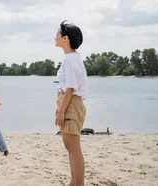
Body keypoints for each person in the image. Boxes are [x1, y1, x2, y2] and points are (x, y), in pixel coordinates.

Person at [54, 20, 87, 186]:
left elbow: (71, 88)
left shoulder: (71, 59)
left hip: (72, 104)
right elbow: (66, 87)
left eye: (58, 34)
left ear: (65, 38)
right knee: (69, 147)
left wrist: (61, 111)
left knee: (74, 148)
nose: (55, 36)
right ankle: (73, 182)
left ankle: (78, 183)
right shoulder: (70, 57)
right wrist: (59, 108)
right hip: (68, 103)